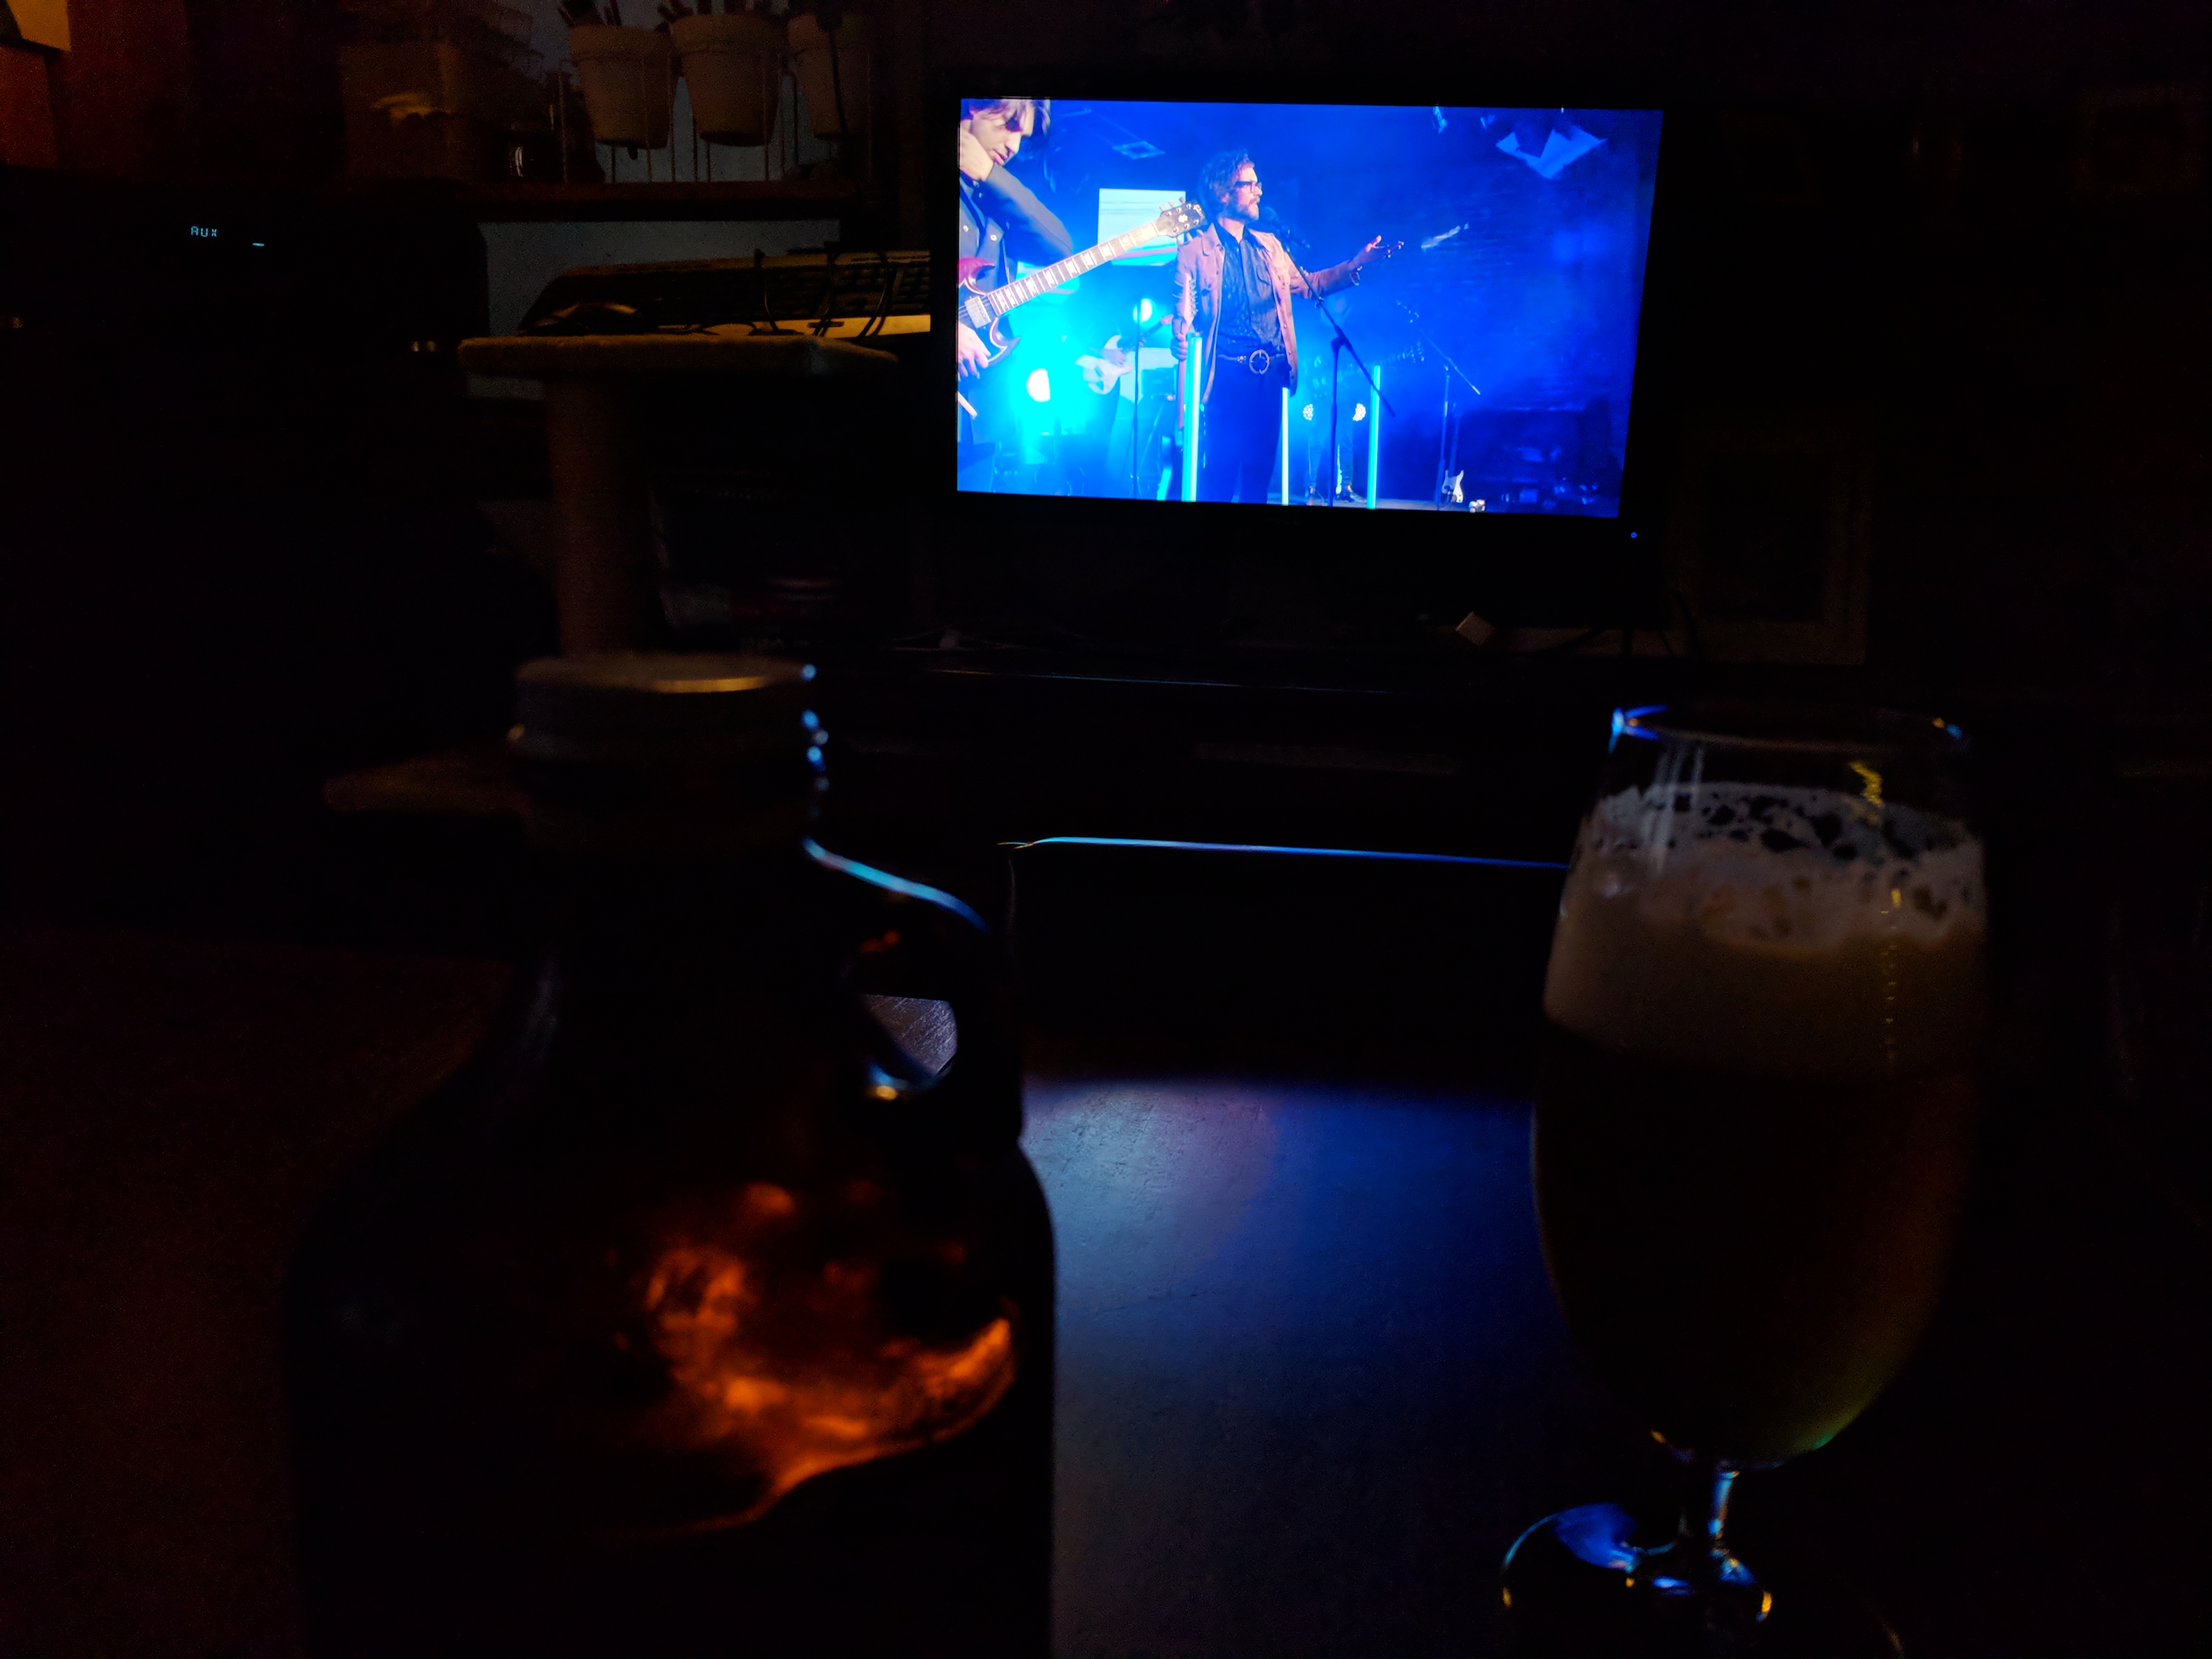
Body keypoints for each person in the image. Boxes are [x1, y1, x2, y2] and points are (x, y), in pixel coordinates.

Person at [1173, 149, 1386, 504]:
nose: (1259, 190)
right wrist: (1180, 343)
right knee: (1220, 478)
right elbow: (1184, 322)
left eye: (1258, 184)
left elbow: (1311, 283)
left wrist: (1356, 264)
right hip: (1226, 379)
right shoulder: (1194, 253)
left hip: (1270, 376)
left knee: (1258, 479)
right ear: (1223, 193)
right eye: (1249, 184)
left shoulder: (1269, 247)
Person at [956, 98, 1073, 382]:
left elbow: (1060, 249)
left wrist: (991, 174)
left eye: (1022, 137)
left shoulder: (995, 195)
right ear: (976, 106)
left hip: (979, 376)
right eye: (1009, 126)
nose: (1015, 147)